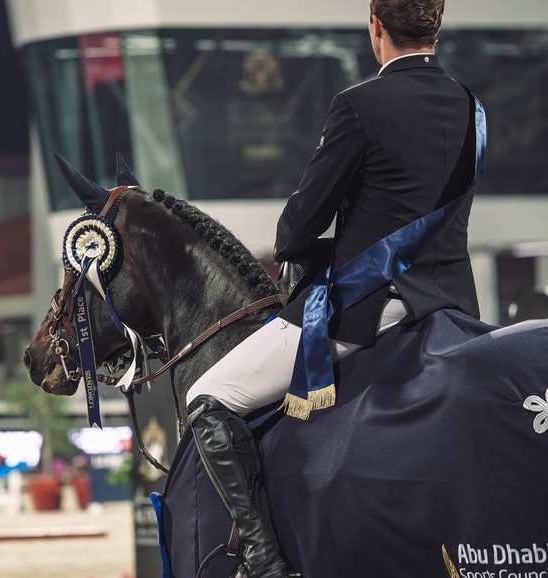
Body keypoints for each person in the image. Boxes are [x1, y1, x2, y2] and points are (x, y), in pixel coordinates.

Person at [184, 1, 485, 576]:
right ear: (437, 27)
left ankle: (263, 558)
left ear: (376, 26)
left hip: (372, 309)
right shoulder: (474, 109)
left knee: (208, 397)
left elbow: (298, 230)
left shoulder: (358, 105)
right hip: (454, 306)